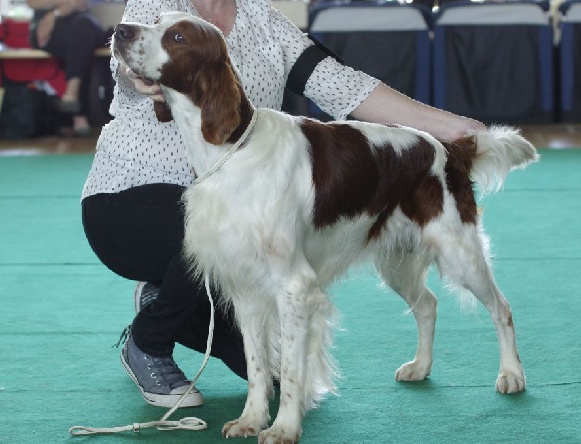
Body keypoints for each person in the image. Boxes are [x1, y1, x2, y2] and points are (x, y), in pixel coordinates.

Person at [81, 0, 486, 409]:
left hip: (242, 201)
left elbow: (343, 85)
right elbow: (129, 58)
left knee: (275, 370)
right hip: (130, 196)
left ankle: (166, 290)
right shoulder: (160, 6)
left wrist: (456, 128)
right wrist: (141, 77)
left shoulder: (264, 19)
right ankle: (149, 339)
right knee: (216, 226)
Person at [27, 0, 107, 136]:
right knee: (81, 43)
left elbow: (82, 3)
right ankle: (78, 111)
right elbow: (33, 2)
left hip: (84, 26)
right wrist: (67, 4)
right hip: (49, 29)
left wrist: (55, 12)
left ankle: (72, 96)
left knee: (83, 28)